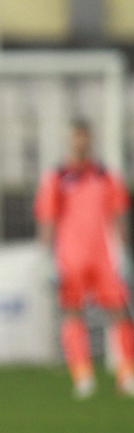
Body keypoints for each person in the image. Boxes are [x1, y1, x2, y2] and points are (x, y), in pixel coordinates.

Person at [35, 120, 134, 399]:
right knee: (72, 313)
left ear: (91, 140)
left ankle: (127, 375)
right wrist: (46, 257)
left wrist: (124, 252)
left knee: (120, 312)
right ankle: (83, 377)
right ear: (69, 140)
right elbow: (47, 218)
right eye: (76, 138)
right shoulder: (55, 177)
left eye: (85, 138)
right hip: (71, 258)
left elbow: (119, 215)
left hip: (104, 257)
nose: (80, 143)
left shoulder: (106, 175)